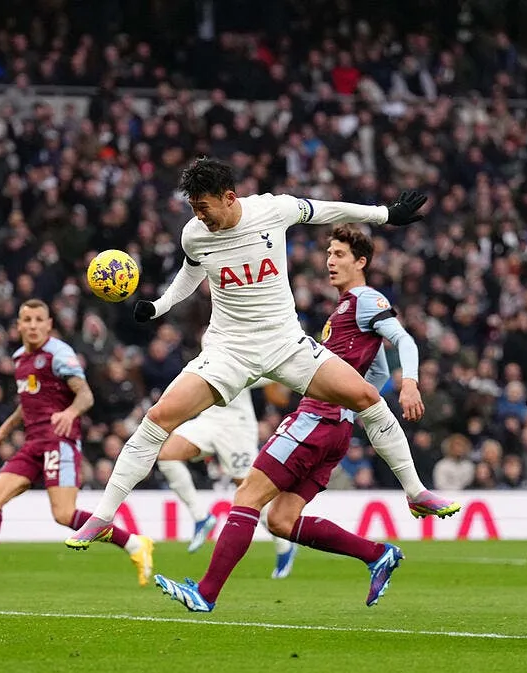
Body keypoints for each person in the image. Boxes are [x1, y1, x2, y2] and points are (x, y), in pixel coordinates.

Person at [66, 157, 448, 551]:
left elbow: (327, 210)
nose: (199, 216)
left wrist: (385, 215)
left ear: (229, 197)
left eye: (204, 207)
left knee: (366, 397)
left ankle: (416, 492)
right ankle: (103, 518)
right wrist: (160, 306)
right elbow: (192, 270)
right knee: (159, 417)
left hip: (285, 343)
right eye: (193, 208)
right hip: (228, 350)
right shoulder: (194, 234)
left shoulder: (272, 210)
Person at [153, 225, 443, 611]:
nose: (330, 261)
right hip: (336, 429)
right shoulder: (343, 309)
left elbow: (404, 339)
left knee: (247, 497)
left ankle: (205, 593)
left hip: (316, 420)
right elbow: (369, 375)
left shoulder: (365, 300)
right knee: (282, 521)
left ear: (362, 262)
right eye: (328, 254)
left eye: (339, 254)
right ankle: (377, 555)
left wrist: (409, 383)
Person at [0, 300, 154, 588]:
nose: (34, 325)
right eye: (27, 320)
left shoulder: (59, 353)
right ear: (19, 325)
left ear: (49, 324)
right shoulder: (18, 359)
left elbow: (85, 395)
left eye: (40, 319)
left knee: (64, 514)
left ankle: (134, 545)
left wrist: (70, 412)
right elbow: (27, 403)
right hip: (33, 444)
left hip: (59, 444)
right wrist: (4, 429)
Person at [156, 377, 298, 579]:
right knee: (167, 456)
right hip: (209, 418)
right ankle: (201, 517)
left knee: (250, 493)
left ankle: (284, 544)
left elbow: (261, 369)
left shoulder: (245, 347)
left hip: (236, 427)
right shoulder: (206, 344)